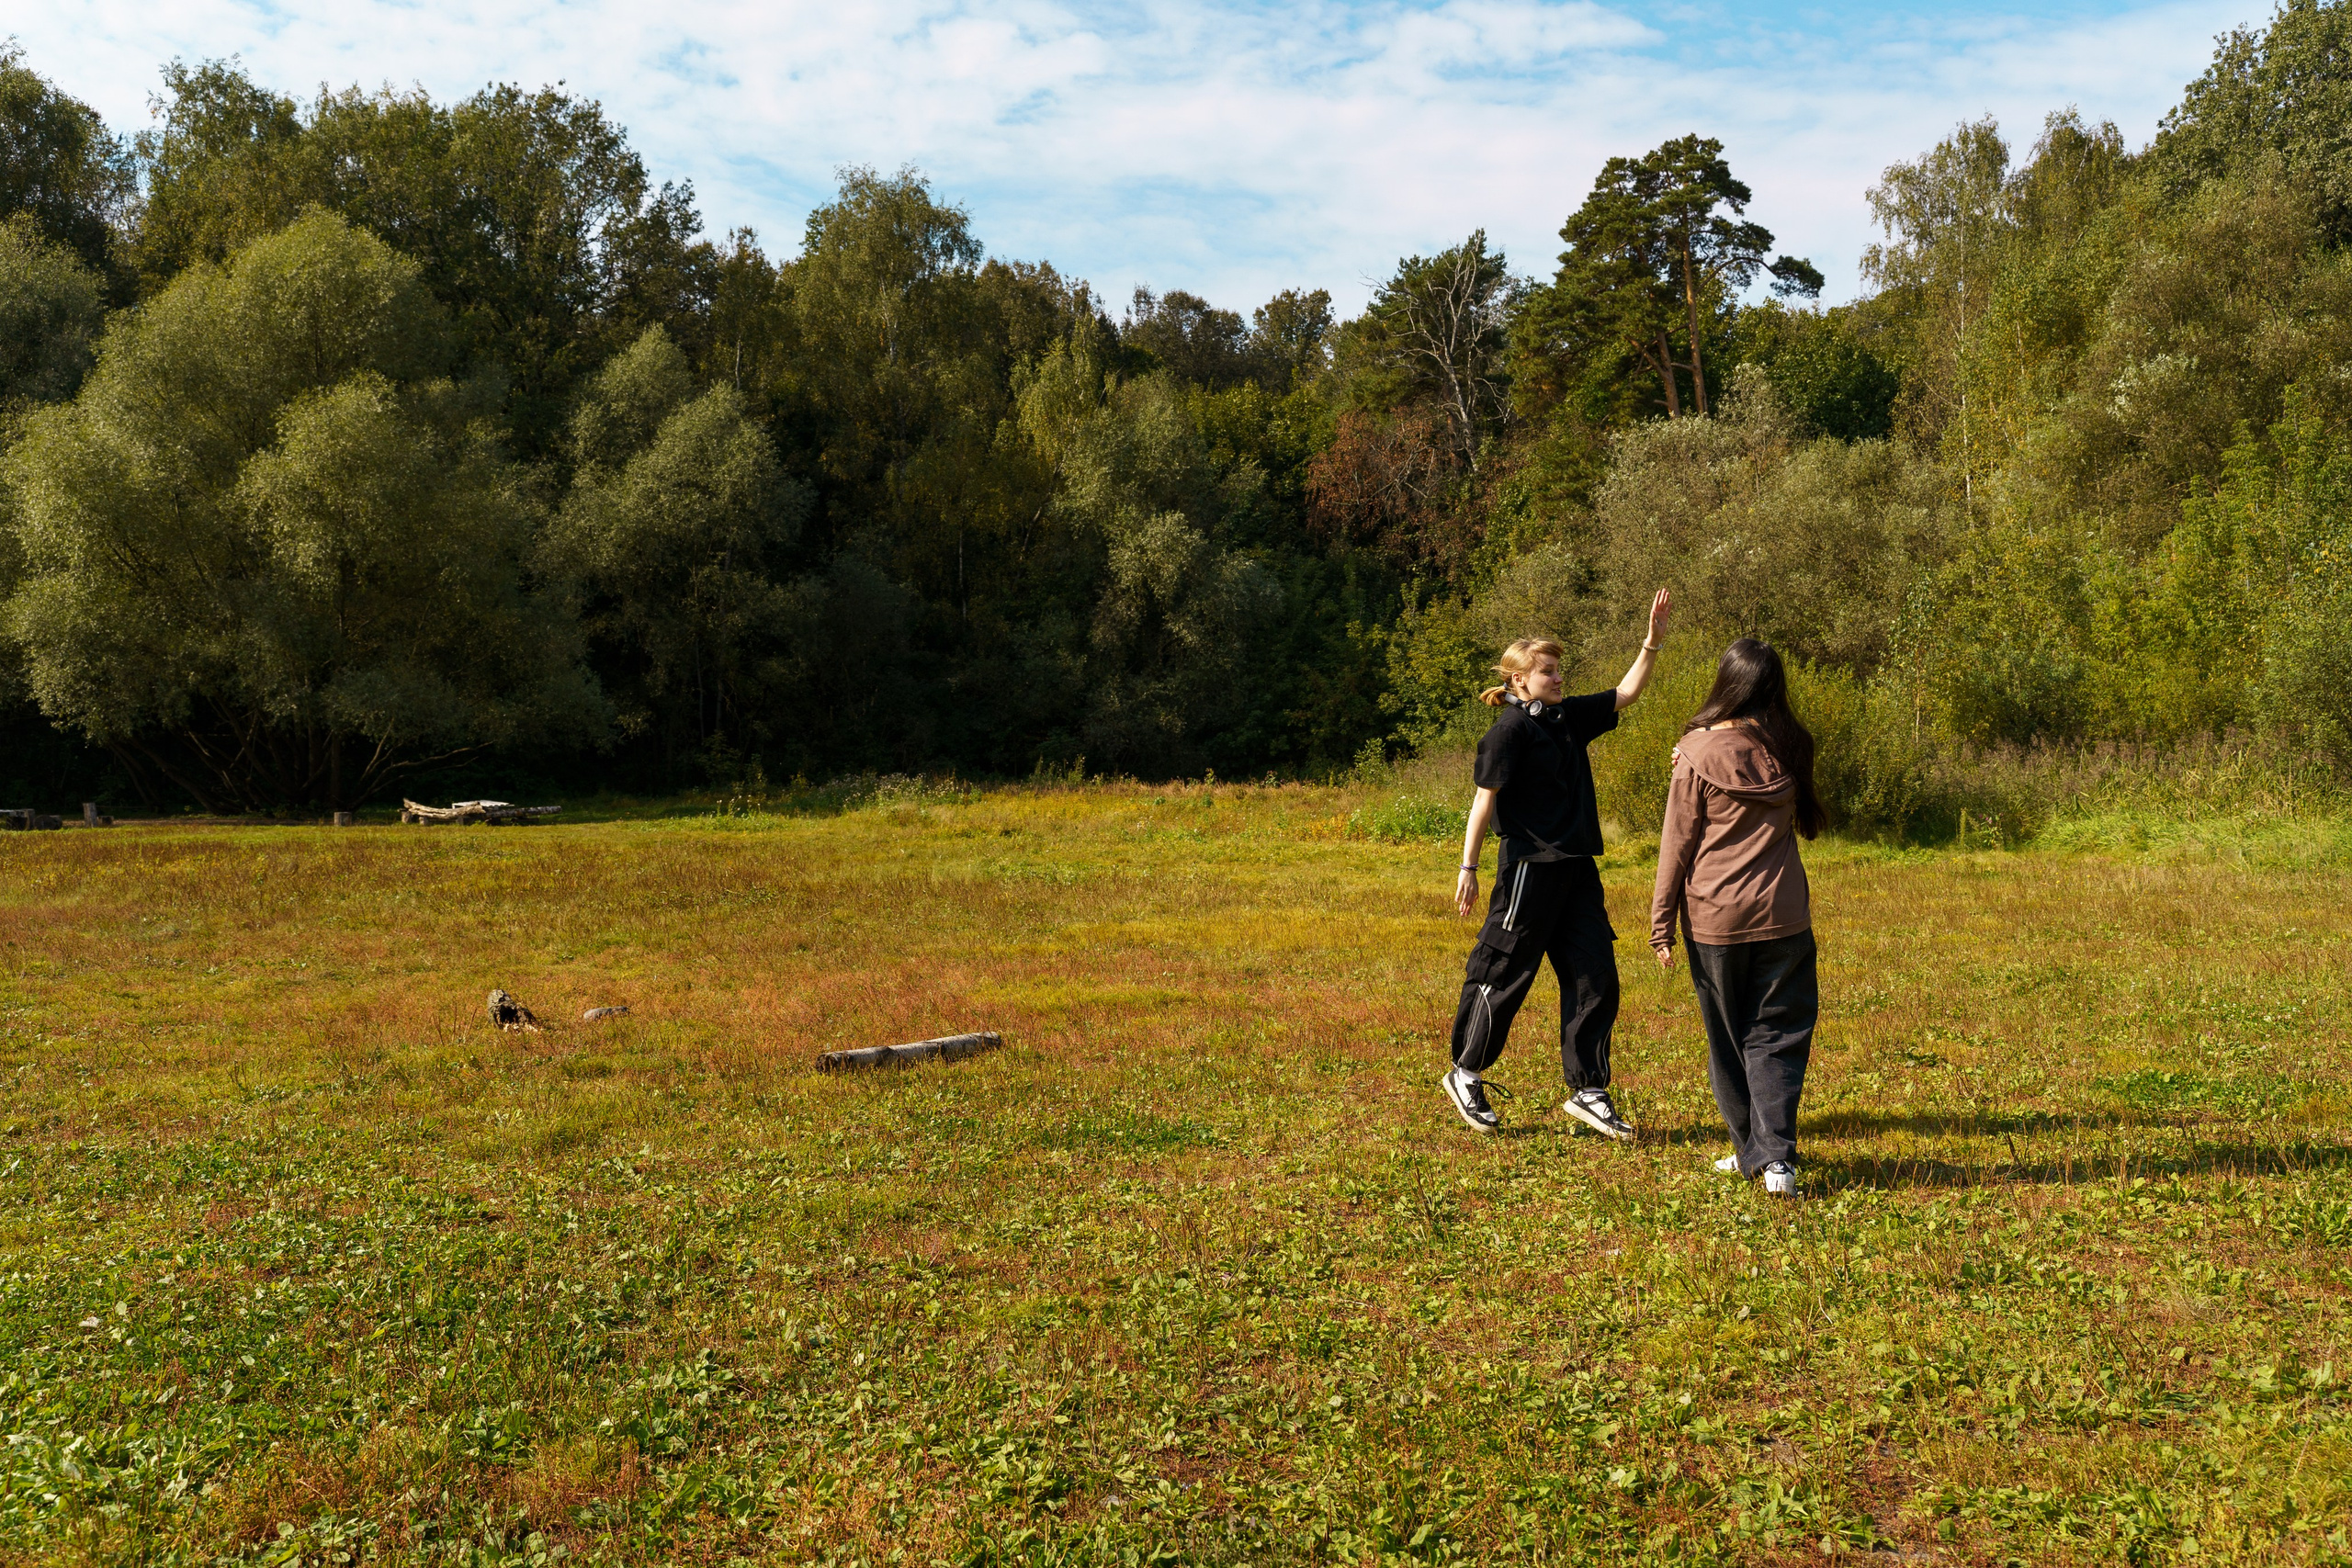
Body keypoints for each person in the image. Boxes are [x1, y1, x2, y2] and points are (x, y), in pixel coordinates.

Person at [1441, 590, 1672, 1136]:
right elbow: (1484, 800)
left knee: (1596, 975)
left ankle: (1589, 1091)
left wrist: (1651, 643)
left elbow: (1626, 694)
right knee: (1503, 972)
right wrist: (1468, 868)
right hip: (1527, 870)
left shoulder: (1566, 718)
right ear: (1520, 681)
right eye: (1548, 671)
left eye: (1559, 670)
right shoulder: (1509, 731)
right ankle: (1466, 1071)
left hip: (1577, 870)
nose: (1558, 677)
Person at [1648, 637, 1825, 1199]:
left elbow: (1676, 845)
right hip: (1785, 917)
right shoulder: (1790, 746)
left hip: (1716, 921)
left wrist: (1660, 924)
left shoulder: (1695, 753)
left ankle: (1766, 1153)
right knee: (1776, 1036)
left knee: (1728, 1038)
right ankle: (1768, 1157)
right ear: (1775, 688)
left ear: (1726, 683)